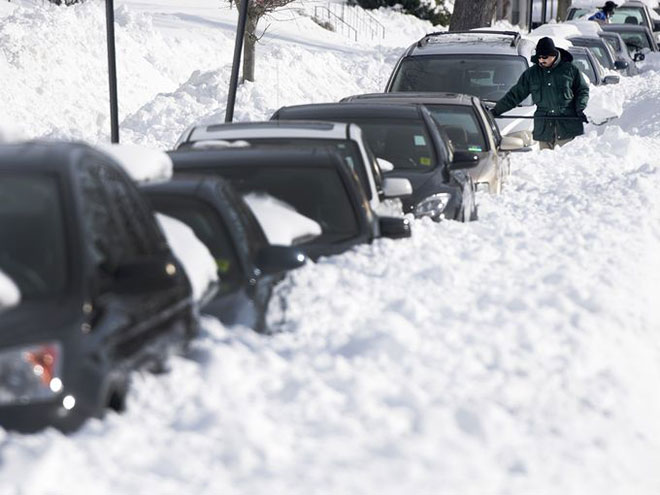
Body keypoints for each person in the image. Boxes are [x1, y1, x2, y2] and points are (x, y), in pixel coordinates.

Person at [491, 37, 590, 150]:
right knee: (545, 162)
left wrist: (580, 108)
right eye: (539, 57)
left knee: (564, 162)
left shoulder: (570, 70)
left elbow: (582, 90)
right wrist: (496, 110)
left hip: (567, 127)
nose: (541, 60)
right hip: (544, 129)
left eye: (545, 57)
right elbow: (515, 95)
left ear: (553, 55)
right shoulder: (532, 74)